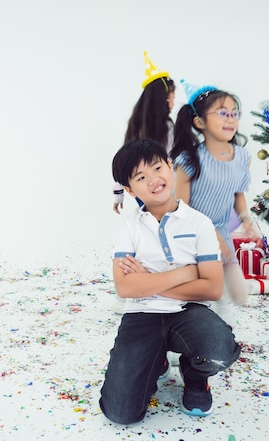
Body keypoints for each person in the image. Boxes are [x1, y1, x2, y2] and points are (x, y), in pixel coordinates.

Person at [99, 140, 241, 424]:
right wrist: (186, 273)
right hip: (142, 315)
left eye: (157, 167)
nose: (154, 179)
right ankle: (156, 359)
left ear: (170, 167)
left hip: (189, 312)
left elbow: (212, 288)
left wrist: (149, 281)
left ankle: (195, 377)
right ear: (129, 190)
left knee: (219, 349)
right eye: (141, 177)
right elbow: (126, 288)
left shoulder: (200, 223)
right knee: (120, 413)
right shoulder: (129, 226)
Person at [170, 81, 253, 312]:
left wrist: (246, 219)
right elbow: (181, 208)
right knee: (205, 296)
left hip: (221, 232)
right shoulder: (189, 160)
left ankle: (220, 324)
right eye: (223, 113)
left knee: (239, 294)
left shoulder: (242, 156)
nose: (231, 119)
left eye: (234, 114)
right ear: (199, 122)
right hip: (191, 233)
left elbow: (238, 193)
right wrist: (211, 236)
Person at [113, 52, 175, 214]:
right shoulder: (167, 127)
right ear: (165, 99)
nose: (173, 102)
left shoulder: (135, 124)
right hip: (163, 187)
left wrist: (118, 193)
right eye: (172, 97)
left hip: (142, 188)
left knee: (151, 224)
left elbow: (126, 162)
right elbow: (171, 158)